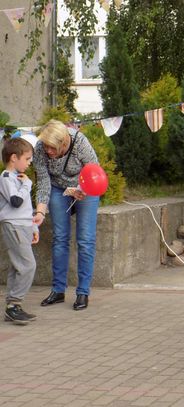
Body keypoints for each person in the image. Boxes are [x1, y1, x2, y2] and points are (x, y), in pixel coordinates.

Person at [32, 120, 100, 311]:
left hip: (85, 187)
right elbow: (43, 182)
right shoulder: (40, 148)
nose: (48, 151)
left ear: (63, 143)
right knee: (60, 237)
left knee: (85, 240)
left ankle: (83, 292)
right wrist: (40, 211)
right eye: (46, 146)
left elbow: (94, 171)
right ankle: (58, 290)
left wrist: (83, 189)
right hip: (57, 188)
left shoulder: (80, 142)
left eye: (52, 148)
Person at [0, 138, 39, 325]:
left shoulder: (19, 178)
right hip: (13, 225)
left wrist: (33, 226)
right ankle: (14, 304)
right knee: (28, 265)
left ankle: (12, 307)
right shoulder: (7, 177)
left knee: (18, 266)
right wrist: (27, 185)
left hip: (23, 225)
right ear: (14, 158)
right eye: (27, 159)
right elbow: (16, 201)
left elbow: (26, 207)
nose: (29, 163)